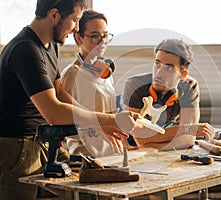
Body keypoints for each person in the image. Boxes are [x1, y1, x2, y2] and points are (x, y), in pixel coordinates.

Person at [0, 1, 141, 199]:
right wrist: (109, 120)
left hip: (41, 142)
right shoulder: (25, 49)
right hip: (17, 148)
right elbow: (54, 112)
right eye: (75, 20)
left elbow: (59, 92)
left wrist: (102, 124)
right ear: (54, 15)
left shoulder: (48, 46)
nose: (76, 27)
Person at [123, 39, 215, 150]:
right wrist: (186, 129)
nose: (158, 73)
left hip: (160, 149)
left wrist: (152, 146)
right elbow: (142, 140)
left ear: (183, 74)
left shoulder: (189, 86)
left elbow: (188, 140)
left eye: (169, 68)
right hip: (130, 146)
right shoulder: (134, 85)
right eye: (157, 64)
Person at [61, 9, 128, 157]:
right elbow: (63, 116)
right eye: (95, 36)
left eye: (105, 36)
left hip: (112, 149)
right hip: (84, 152)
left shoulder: (106, 74)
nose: (102, 42)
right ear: (78, 38)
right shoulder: (72, 74)